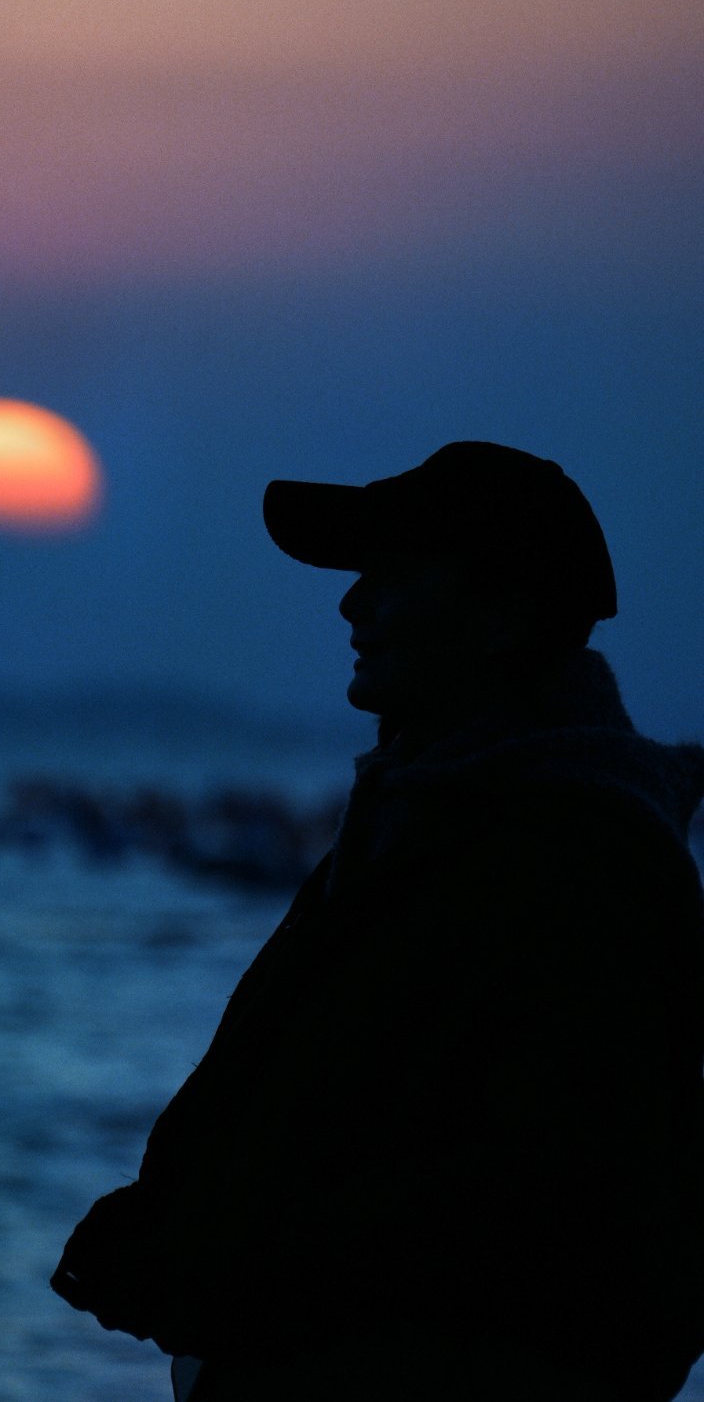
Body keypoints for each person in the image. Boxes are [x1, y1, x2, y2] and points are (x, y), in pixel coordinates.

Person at [51, 441, 704, 1402]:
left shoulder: (575, 860)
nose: (353, 605)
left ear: (502, 615)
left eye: (394, 575)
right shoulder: (435, 821)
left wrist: (216, 1260)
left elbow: (519, 1204)